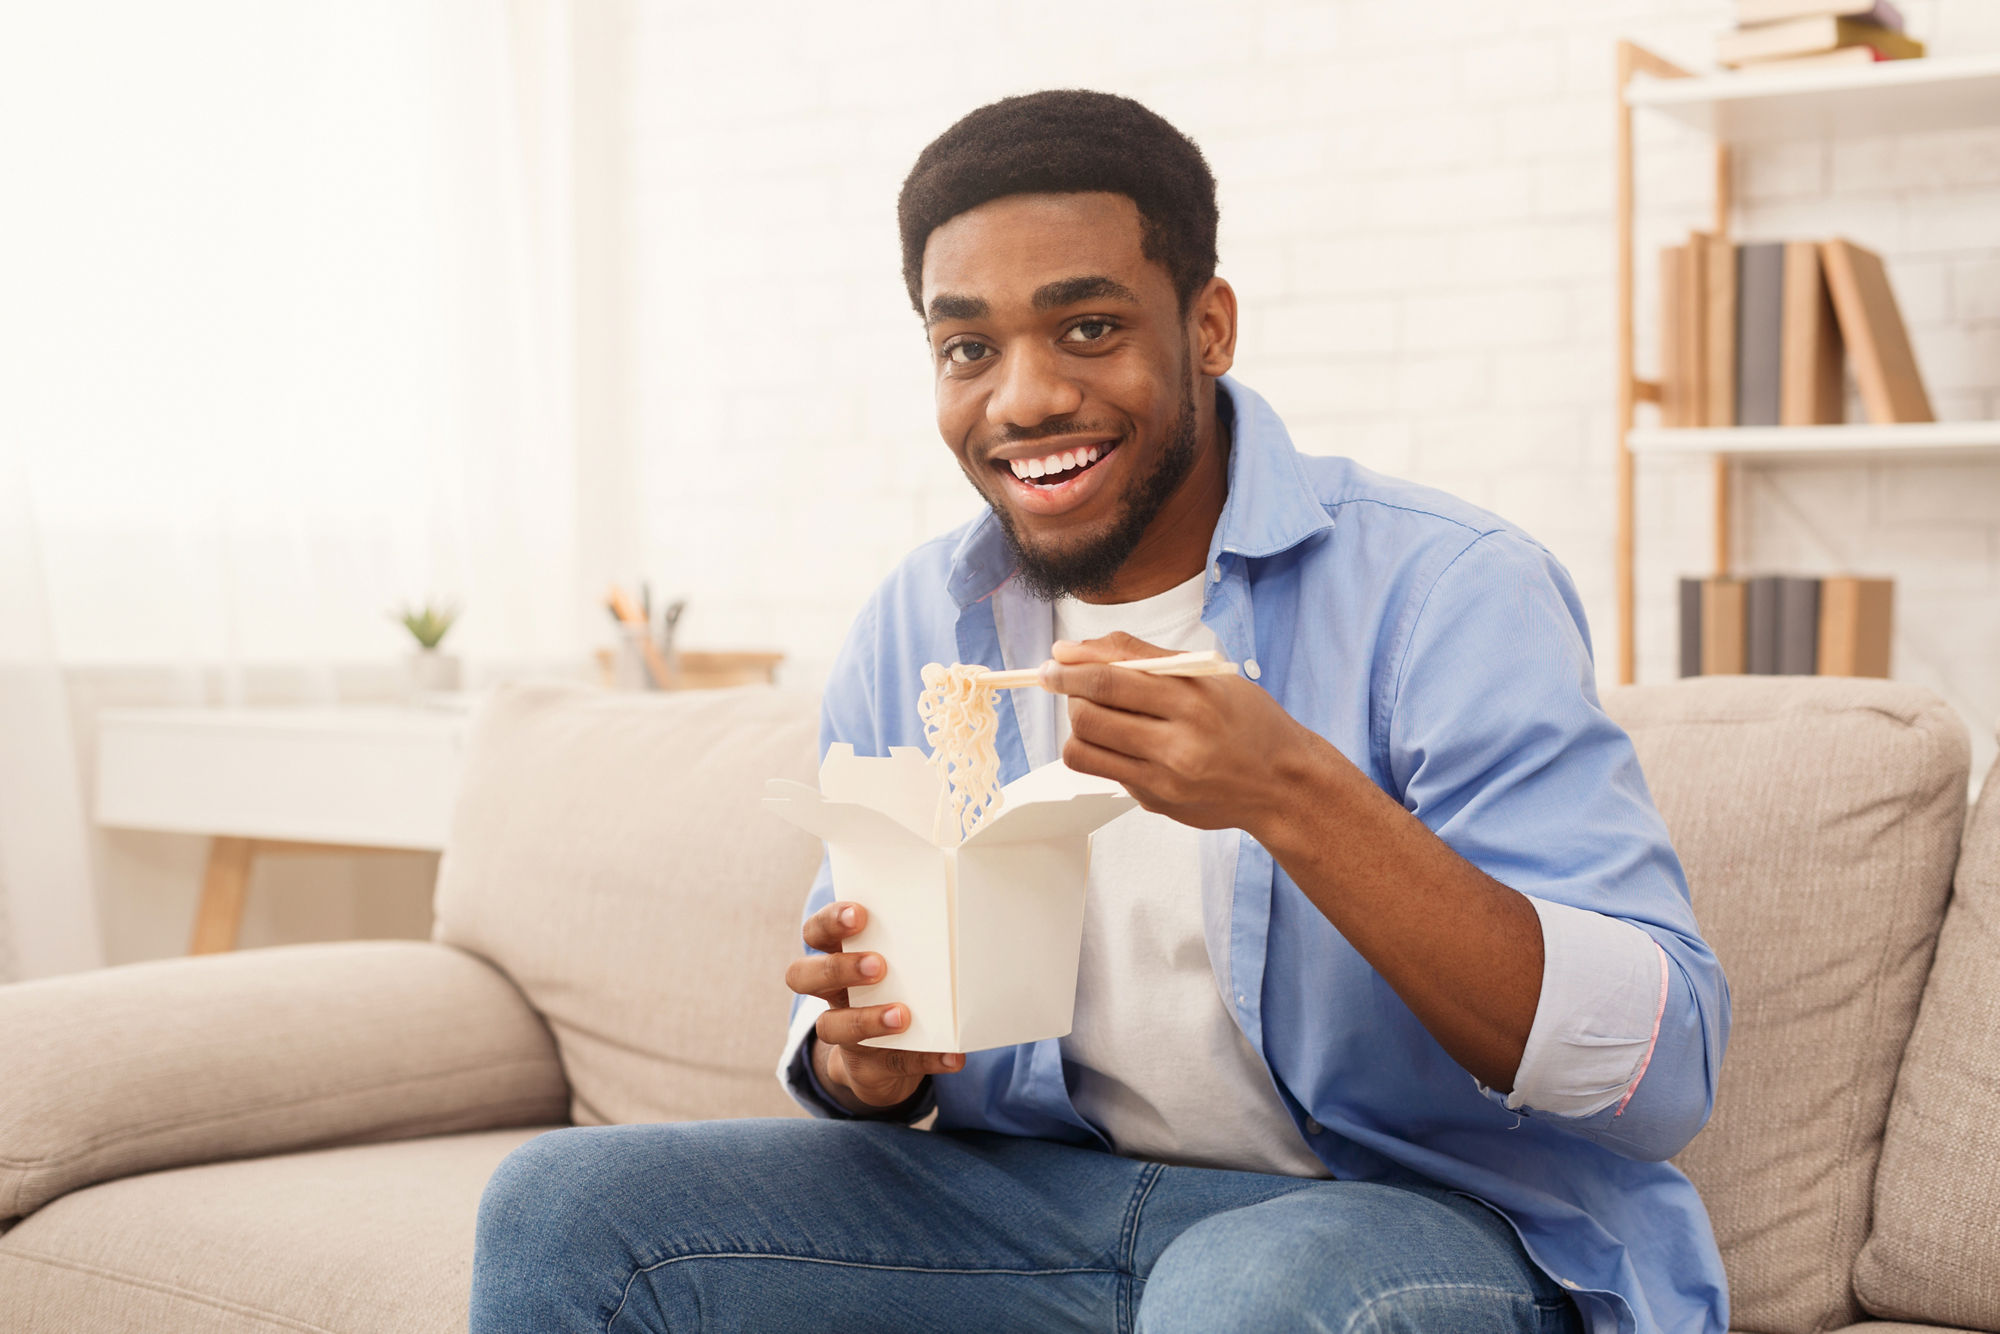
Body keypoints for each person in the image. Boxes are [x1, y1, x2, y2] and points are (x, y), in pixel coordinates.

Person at [471, 90, 1730, 1334]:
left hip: (1409, 1218)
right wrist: (858, 1057)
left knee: (1248, 1295)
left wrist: (1292, 791)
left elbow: (1659, 1071)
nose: (1020, 398)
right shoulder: (921, 625)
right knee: (563, 1214)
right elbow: (849, 970)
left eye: (1084, 328)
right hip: (1046, 1208)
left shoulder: (1444, 589)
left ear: (1208, 326)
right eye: (968, 348)